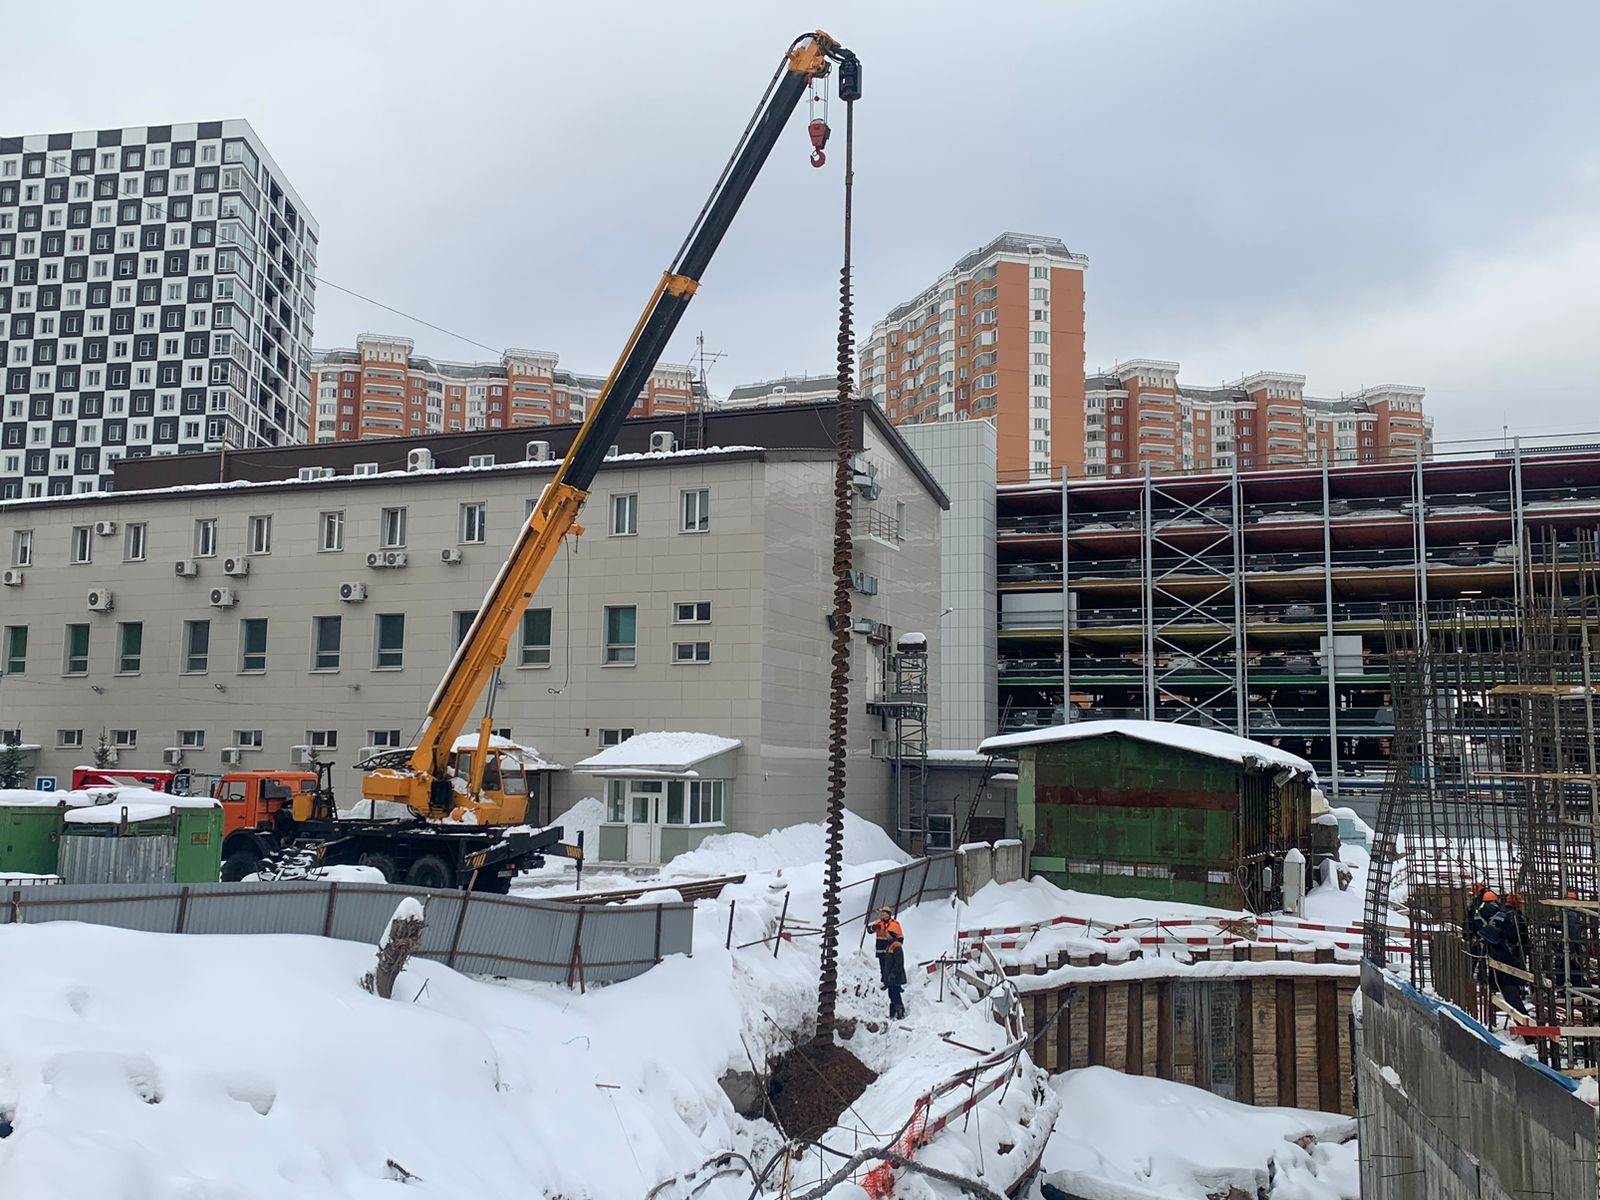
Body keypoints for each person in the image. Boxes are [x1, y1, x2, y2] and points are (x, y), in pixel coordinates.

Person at [1484, 893, 1530, 1015]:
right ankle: (1519, 1012)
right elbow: (1517, 938)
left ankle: (1515, 1007)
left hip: (1496, 953)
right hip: (1507, 955)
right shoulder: (1512, 918)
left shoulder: (1499, 914)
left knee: (1503, 982)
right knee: (1509, 983)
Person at [871, 905, 903, 989]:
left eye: (885, 913)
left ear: (889, 914)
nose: (884, 915)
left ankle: (897, 983)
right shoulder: (878, 923)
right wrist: (873, 928)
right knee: (883, 967)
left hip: (891, 950)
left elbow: (900, 936)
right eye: (883, 913)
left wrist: (897, 947)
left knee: (893, 966)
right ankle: (885, 983)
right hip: (881, 949)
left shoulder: (894, 923)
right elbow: (869, 930)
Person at [883, 921, 907, 1021]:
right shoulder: (890, 946)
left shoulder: (896, 947)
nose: (886, 936)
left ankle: (899, 1012)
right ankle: (893, 1013)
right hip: (890, 976)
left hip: (895, 977)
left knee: (895, 993)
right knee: (891, 994)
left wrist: (893, 974)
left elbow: (899, 963)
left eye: (888, 935)